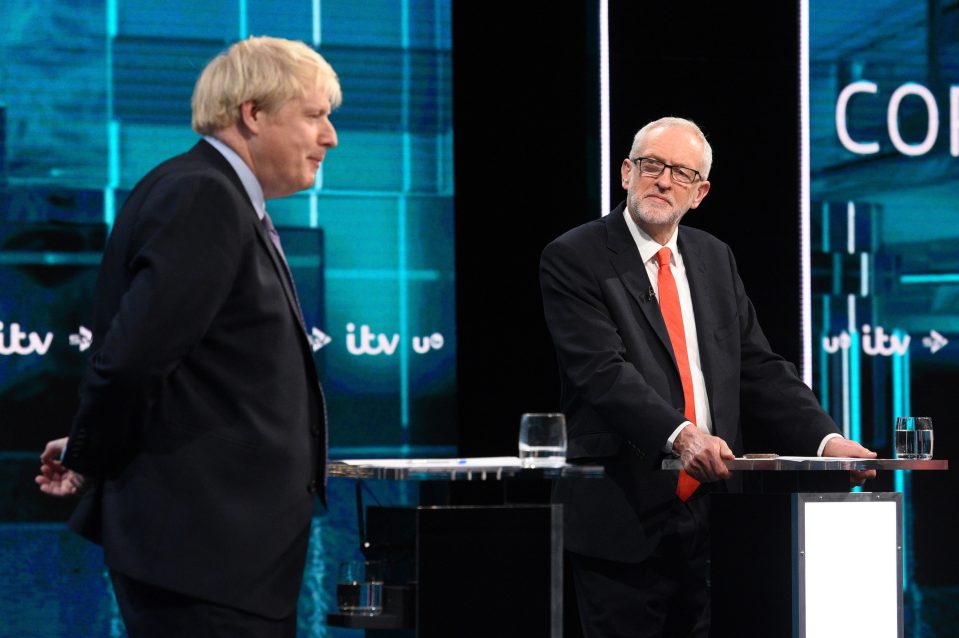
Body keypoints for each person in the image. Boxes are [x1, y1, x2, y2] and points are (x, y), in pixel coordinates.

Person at [34, 35, 339, 637]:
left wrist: (88, 449)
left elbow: (188, 370)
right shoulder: (203, 195)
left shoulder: (214, 195)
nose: (329, 137)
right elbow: (133, 359)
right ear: (253, 113)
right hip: (206, 556)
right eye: (314, 116)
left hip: (223, 557)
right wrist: (92, 453)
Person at [538, 116, 876, 638]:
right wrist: (681, 435)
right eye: (652, 165)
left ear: (700, 192)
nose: (664, 181)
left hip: (716, 516)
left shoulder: (715, 258)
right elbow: (601, 372)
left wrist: (826, 440)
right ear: (627, 171)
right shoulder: (574, 257)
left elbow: (759, 369)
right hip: (623, 518)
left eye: (681, 172)